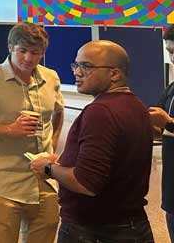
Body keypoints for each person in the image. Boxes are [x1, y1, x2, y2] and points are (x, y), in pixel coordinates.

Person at [30, 40, 154, 243]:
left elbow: (86, 183)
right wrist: (67, 161)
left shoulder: (99, 112)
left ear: (114, 74)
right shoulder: (136, 105)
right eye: (76, 65)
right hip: (132, 224)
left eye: (86, 66)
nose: (77, 72)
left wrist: (48, 168)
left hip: (95, 230)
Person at [0, 22, 64, 243]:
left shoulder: (51, 77)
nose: (28, 58)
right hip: (5, 180)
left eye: (35, 53)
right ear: (10, 47)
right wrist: (9, 129)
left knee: (45, 234)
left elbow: (58, 112)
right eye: (22, 51)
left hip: (44, 179)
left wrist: (53, 144)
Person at [148, 24, 174, 242]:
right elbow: (158, 128)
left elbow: (168, 122)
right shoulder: (172, 89)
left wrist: (169, 122)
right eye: (170, 52)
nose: (173, 58)